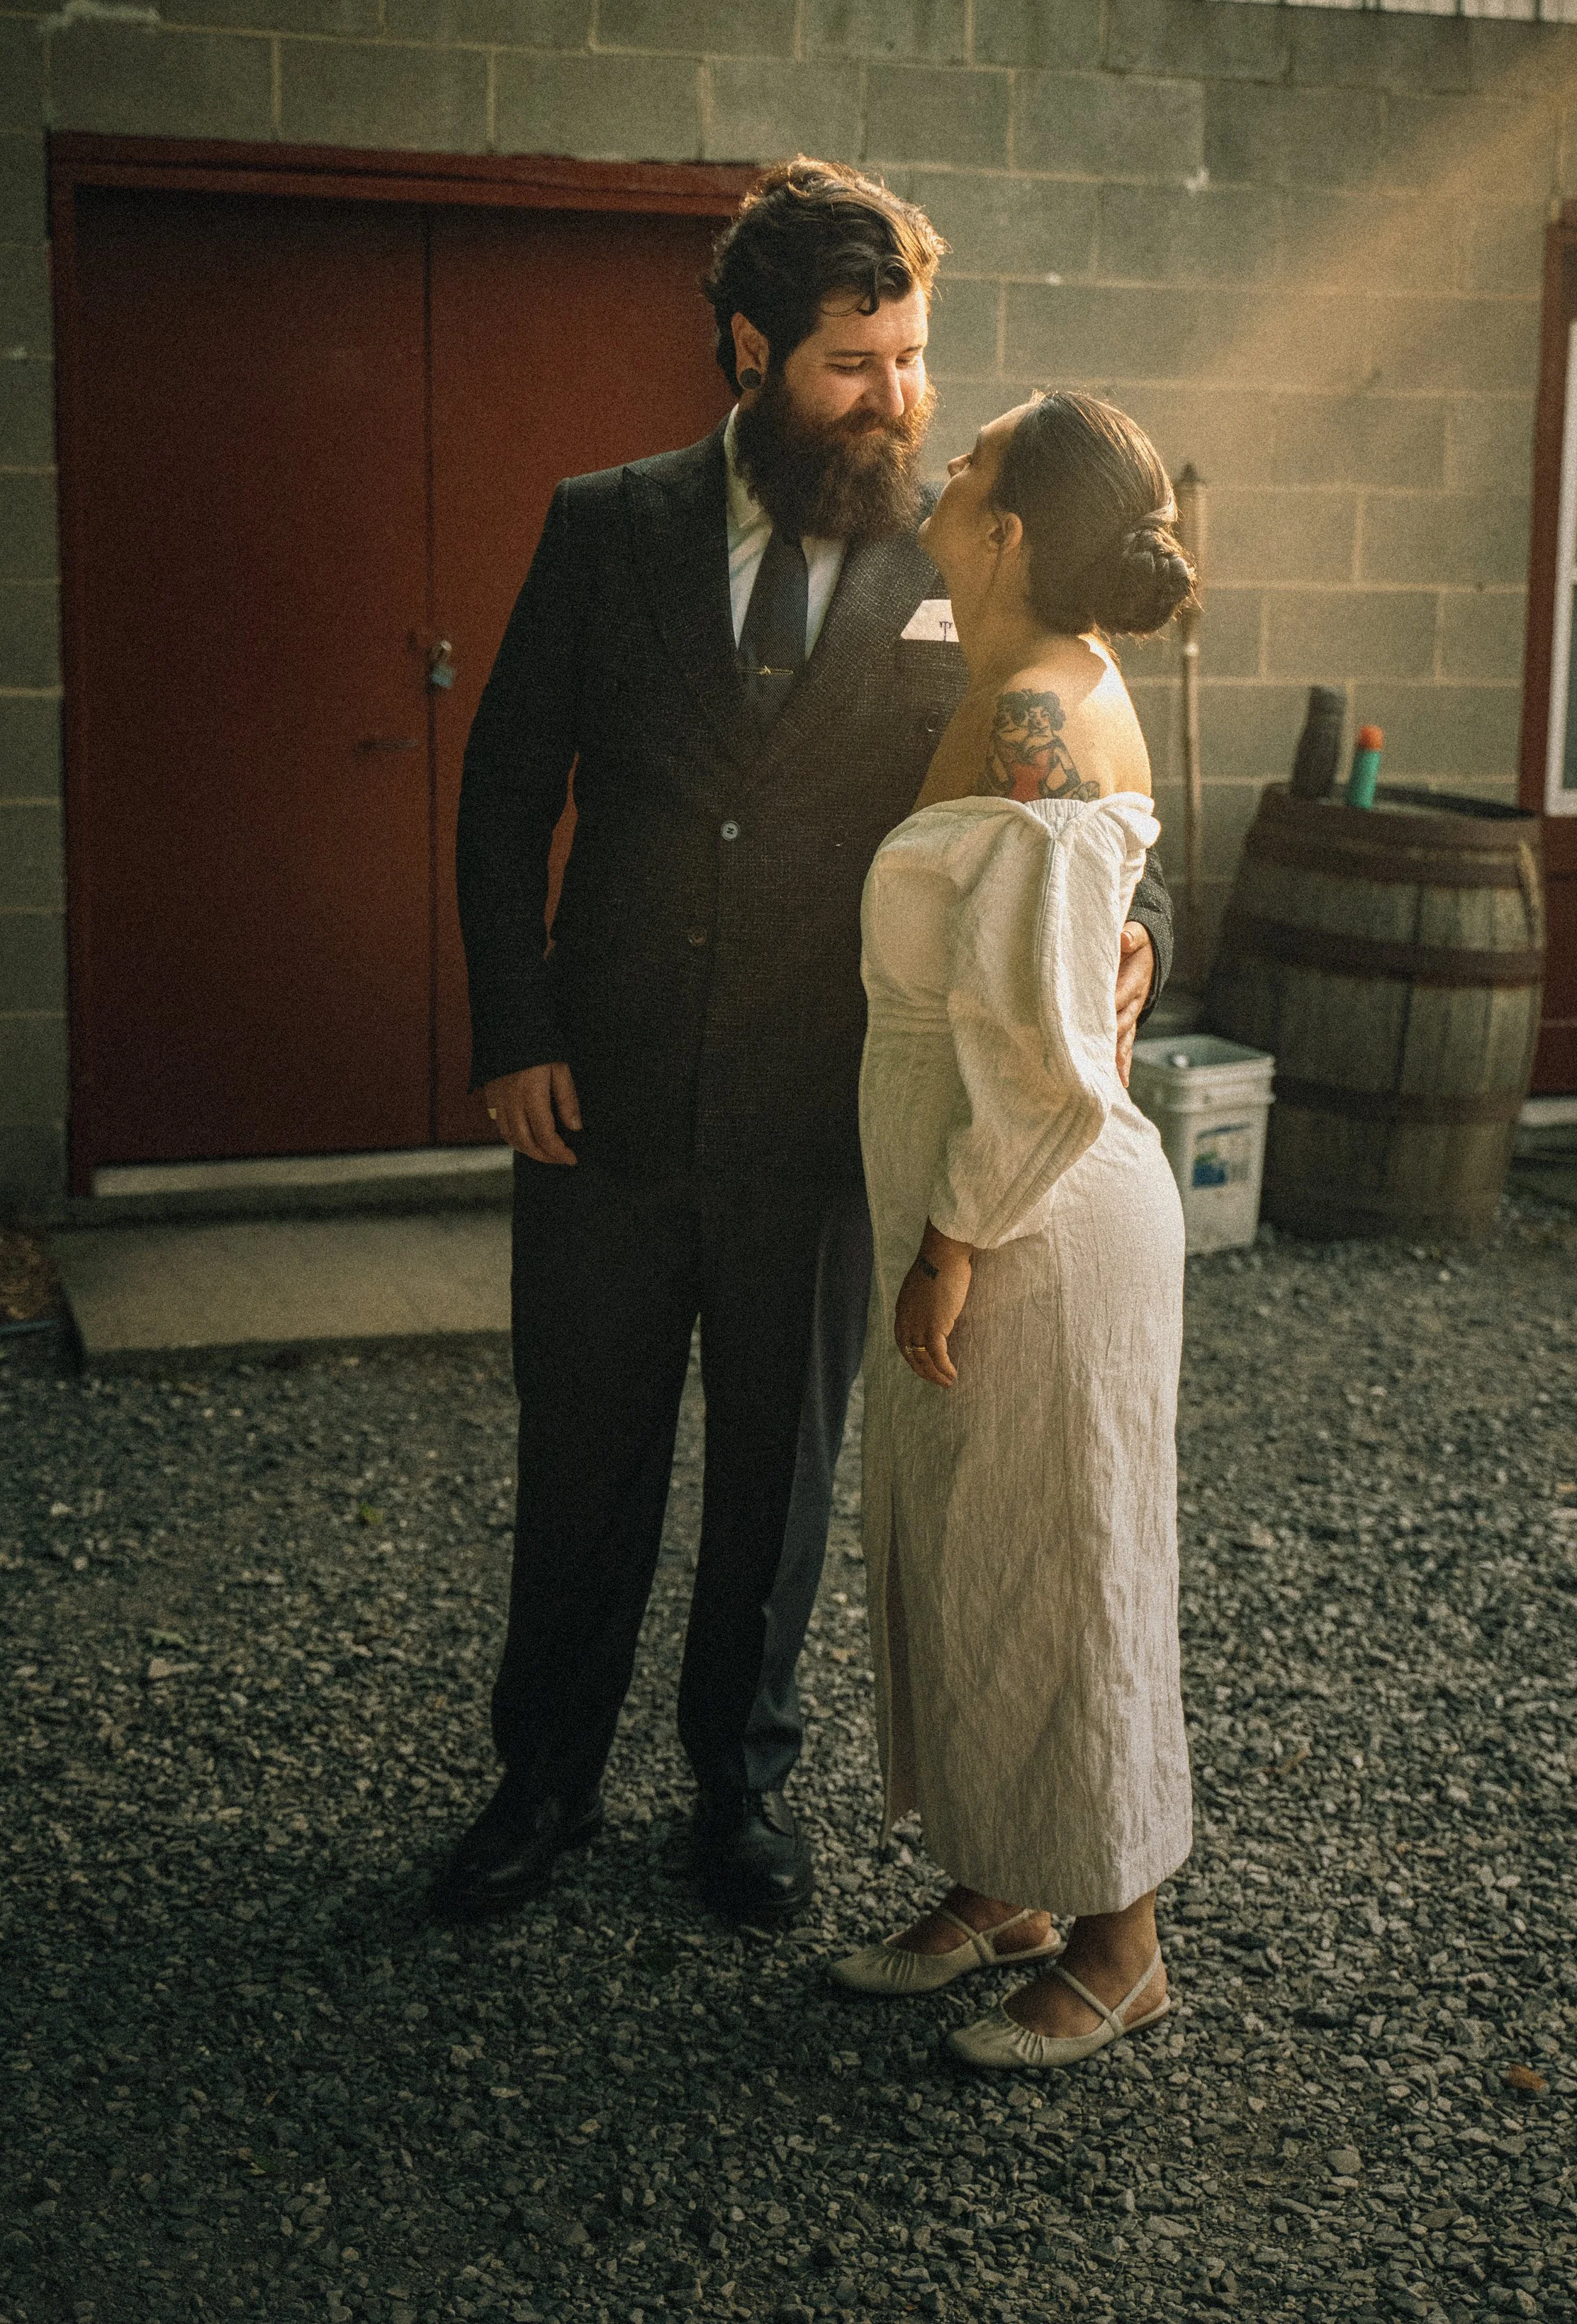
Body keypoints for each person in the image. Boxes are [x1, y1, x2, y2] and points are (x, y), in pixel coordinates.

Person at [437, 164, 1176, 1928]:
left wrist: (1141, 934)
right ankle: (539, 1784)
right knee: (584, 1458)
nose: (899, 400)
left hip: (827, 1116)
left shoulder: (965, 555)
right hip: (596, 1097)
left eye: (913, 358)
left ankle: (737, 1796)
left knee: (778, 1477)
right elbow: (499, 789)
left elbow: (1094, 763)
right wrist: (515, 1022)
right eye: (856, 364)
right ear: (752, 346)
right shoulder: (603, 523)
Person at [831, 391, 1195, 2068]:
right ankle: (1006, 1878)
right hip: (980, 1190)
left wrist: (952, 1233)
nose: (942, 463)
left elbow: (1044, 1039)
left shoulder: (1039, 713)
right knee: (968, 1543)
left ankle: (1122, 1941)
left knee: (1066, 1554)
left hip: (1031, 1212)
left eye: (970, 459)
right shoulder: (995, 675)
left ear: (1011, 529)